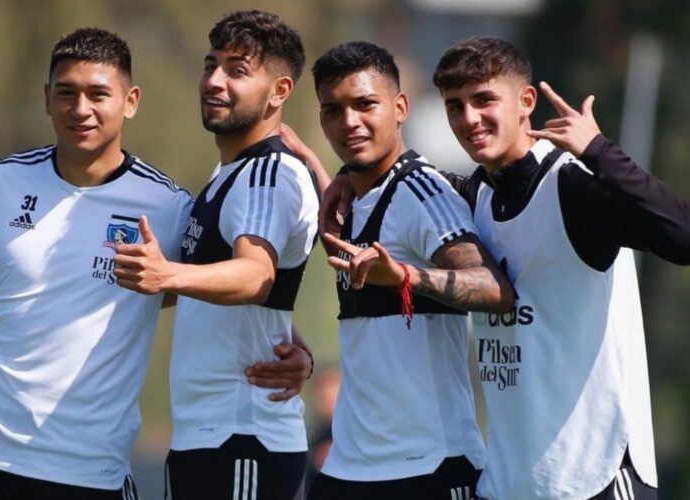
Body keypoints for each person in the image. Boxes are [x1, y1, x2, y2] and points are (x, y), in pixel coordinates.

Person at [0, 27, 309, 500]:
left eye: (98, 94)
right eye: (66, 93)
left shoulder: (168, 208)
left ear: (130, 101)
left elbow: (220, 281)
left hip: (91, 470)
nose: (80, 109)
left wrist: (293, 346)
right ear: (47, 99)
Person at [322, 36, 690, 499]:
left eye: (484, 100)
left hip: (593, 476)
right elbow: (400, 172)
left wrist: (598, 150)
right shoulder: (475, 196)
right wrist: (344, 176)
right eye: (455, 106)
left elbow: (682, 236)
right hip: (508, 483)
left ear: (526, 102)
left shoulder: (570, 187)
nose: (469, 119)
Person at [112, 10, 320, 500]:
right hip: (208, 438)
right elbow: (260, 298)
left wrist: (165, 274)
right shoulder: (230, 174)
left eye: (237, 70)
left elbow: (256, 277)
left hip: (242, 439)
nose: (214, 81)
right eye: (211, 65)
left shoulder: (268, 173)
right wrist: (296, 344)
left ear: (280, 91)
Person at [297, 41, 514, 500]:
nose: (349, 121)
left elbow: (494, 289)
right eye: (332, 110)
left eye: (365, 104)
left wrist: (406, 277)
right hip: (349, 466)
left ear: (399, 108)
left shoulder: (422, 192)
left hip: (428, 467)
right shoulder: (349, 200)